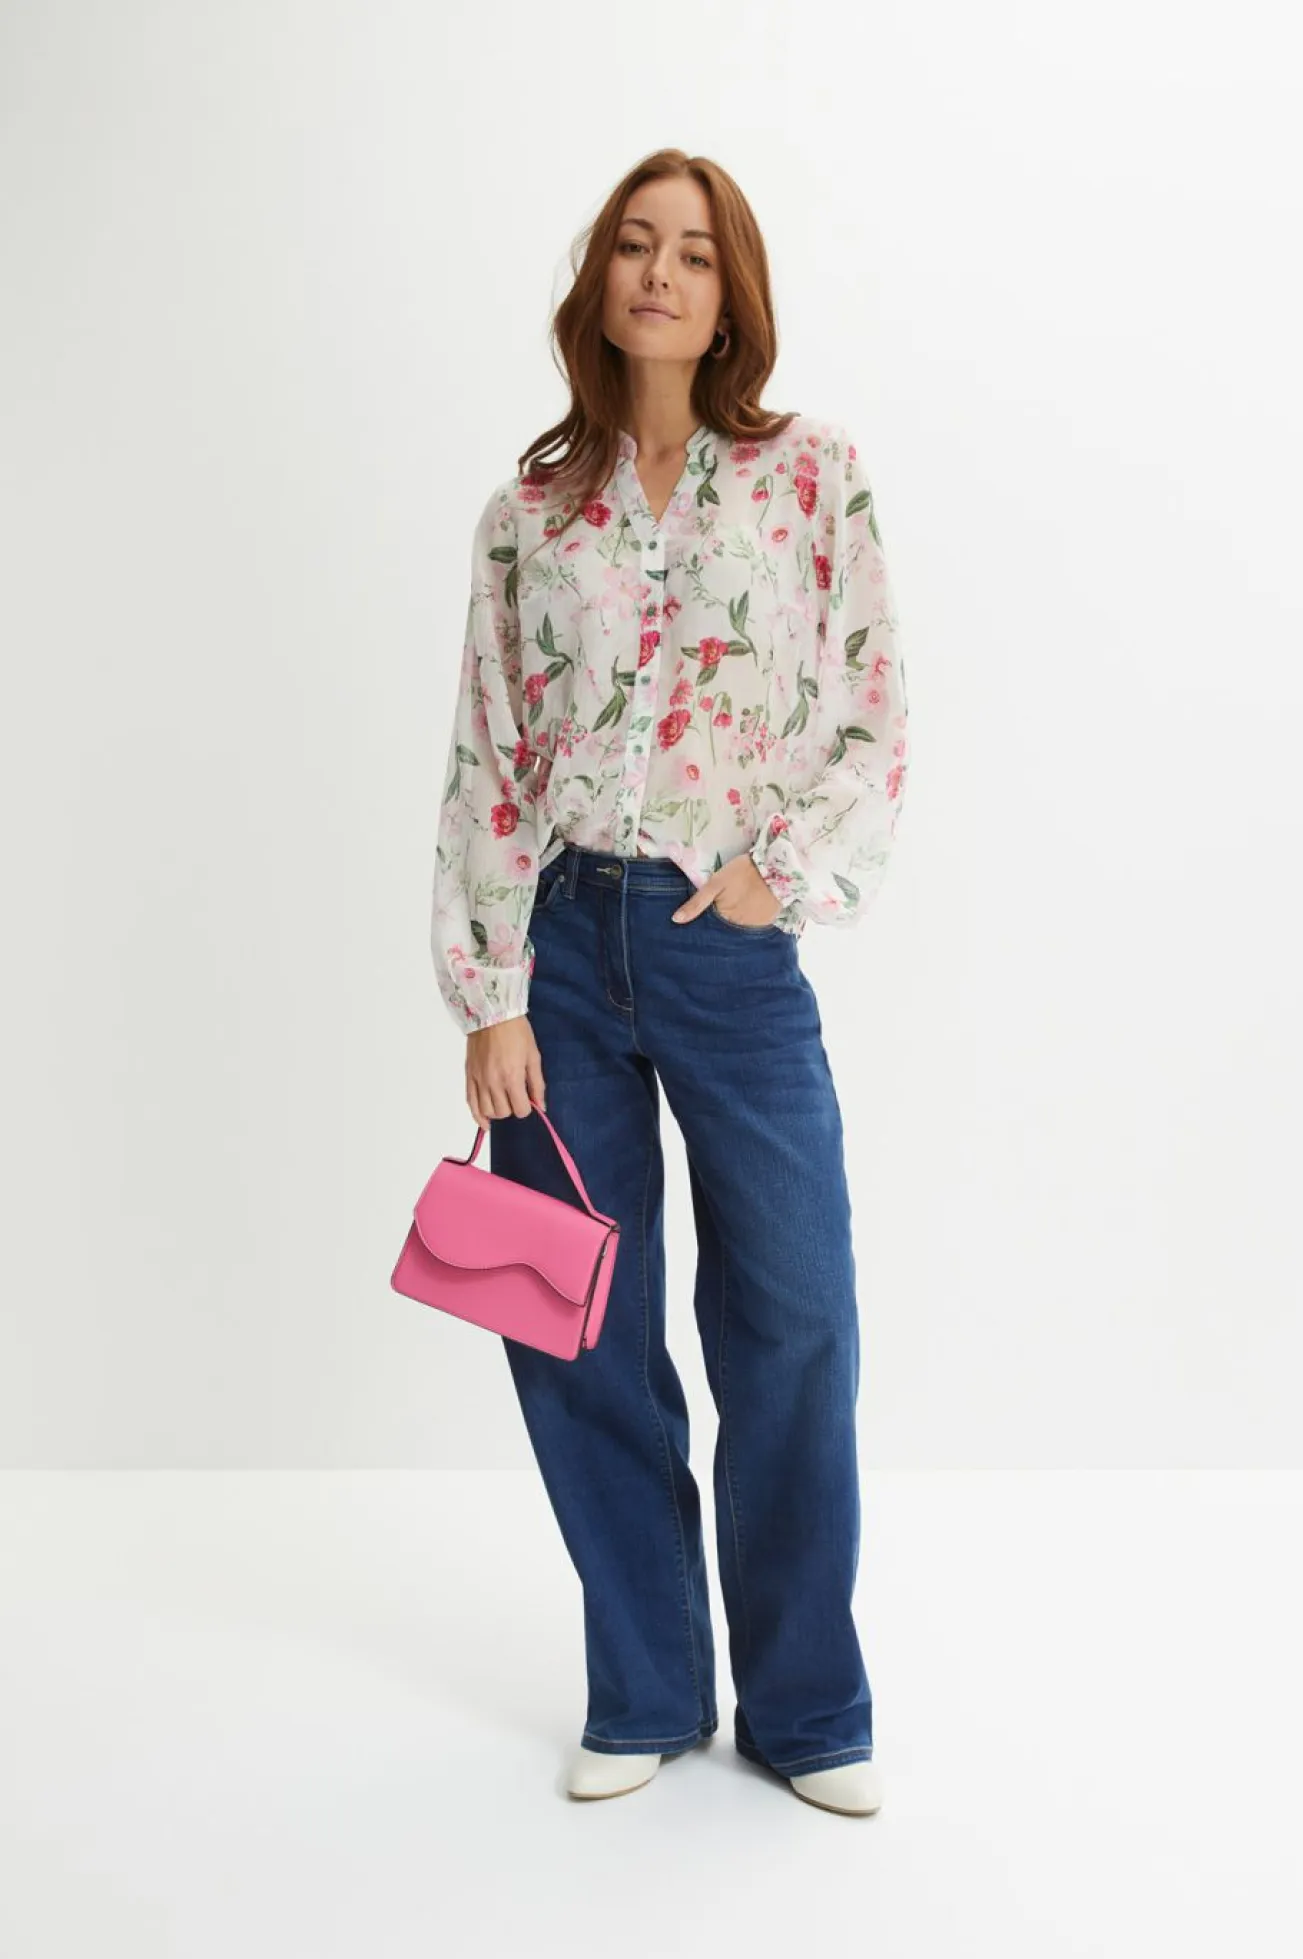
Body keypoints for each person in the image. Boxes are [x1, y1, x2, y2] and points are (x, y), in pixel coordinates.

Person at [429, 149, 909, 1817]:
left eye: (693, 253)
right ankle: (642, 1687)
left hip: (731, 947)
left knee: (795, 1313)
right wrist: (491, 988)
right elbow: (489, 751)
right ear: (601, 283)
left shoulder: (810, 476)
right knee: (568, 1317)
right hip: (559, 947)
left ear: (731, 293)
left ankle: (806, 1707)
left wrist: (786, 869)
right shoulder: (528, 515)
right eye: (635, 245)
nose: (659, 273)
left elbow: (872, 709)